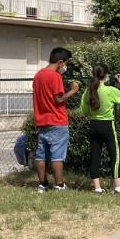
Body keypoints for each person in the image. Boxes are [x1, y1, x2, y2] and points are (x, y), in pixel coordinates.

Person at [78, 64, 120, 194]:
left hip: (94, 125)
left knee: (95, 157)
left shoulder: (88, 91)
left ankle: (97, 188)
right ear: (106, 75)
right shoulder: (110, 90)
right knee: (115, 155)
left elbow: (84, 111)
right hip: (107, 125)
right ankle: (118, 188)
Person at [33, 47, 79, 193]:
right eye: (65, 63)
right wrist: (73, 91)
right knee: (57, 156)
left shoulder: (38, 75)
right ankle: (59, 185)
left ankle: (42, 184)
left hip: (42, 120)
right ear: (60, 62)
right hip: (57, 121)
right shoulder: (55, 77)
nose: (65, 66)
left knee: (41, 155)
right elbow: (58, 99)